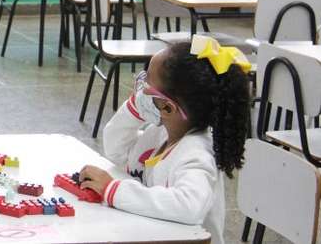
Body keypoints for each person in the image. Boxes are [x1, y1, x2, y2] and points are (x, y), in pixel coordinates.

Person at [78, 36, 251, 244]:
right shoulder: (160, 133)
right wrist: (135, 108)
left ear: (168, 107)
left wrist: (113, 190)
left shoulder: (196, 154)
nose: (139, 90)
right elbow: (116, 149)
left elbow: (189, 207)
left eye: (146, 84)